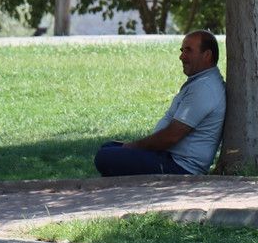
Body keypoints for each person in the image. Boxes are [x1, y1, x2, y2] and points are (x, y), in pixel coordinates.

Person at [94, 31, 225, 176]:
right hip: (168, 157)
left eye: (188, 51)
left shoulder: (205, 88)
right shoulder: (203, 82)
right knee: (108, 148)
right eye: (182, 51)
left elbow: (171, 137)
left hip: (179, 167)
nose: (181, 56)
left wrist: (134, 146)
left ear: (207, 55)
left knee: (104, 157)